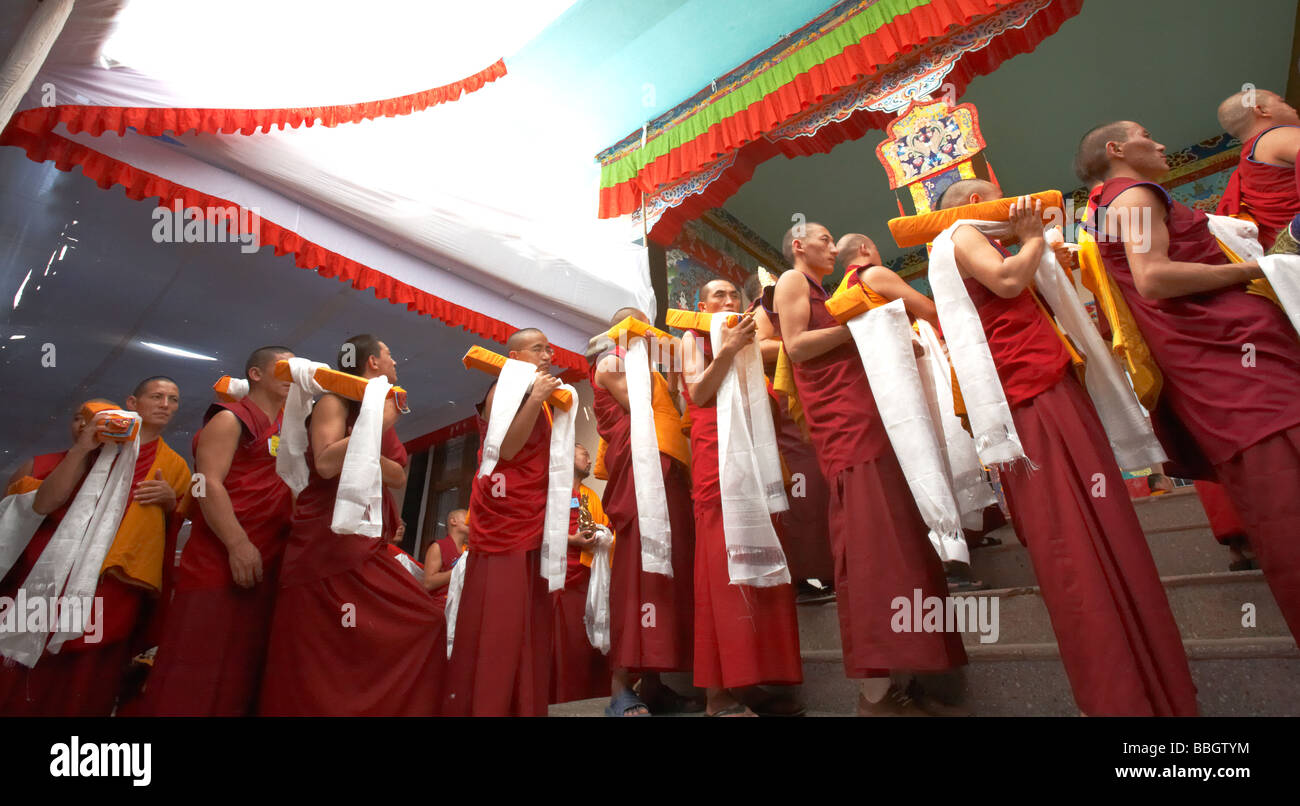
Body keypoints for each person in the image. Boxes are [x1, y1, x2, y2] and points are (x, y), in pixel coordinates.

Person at [937, 178, 1197, 716]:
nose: (1009, 197)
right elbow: (1008, 282)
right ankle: (1119, 696)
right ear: (967, 204)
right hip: (1029, 394)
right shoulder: (962, 233)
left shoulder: (990, 237)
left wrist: (1039, 249)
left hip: (1052, 381)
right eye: (991, 192)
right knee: (1072, 538)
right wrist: (1032, 240)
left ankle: (1158, 687)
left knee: (1103, 527)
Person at [1078, 120, 1300, 644]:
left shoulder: (1107, 205)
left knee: (1278, 503)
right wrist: (1263, 270)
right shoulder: (1133, 195)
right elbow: (1153, 276)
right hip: (1232, 360)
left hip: (1219, 360)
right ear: (1117, 149)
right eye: (1145, 135)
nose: (1159, 142)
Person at [771, 221, 966, 716]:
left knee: (898, 539)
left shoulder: (829, 293)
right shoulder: (792, 282)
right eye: (823, 238)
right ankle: (874, 695)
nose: (832, 247)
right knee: (872, 545)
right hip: (845, 427)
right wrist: (868, 327)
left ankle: (910, 679)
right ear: (798, 245)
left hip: (871, 415)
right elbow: (795, 347)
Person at [259, 335, 444, 716]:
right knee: (321, 644)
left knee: (425, 619)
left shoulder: (374, 409)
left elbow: (398, 477)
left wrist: (367, 440)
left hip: (367, 543)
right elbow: (326, 464)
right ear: (373, 363)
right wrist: (371, 432)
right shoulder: (334, 400)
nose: (395, 362)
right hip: (328, 539)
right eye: (390, 354)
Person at [0, 379, 190, 716]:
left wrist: (169, 504)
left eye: (172, 399)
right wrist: (84, 448)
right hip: (46, 576)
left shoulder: (171, 466)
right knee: (23, 661)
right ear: (131, 404)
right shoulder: (57, 462)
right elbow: (42, 507)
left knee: (88, 674)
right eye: (157, 396)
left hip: (109, 582)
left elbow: (167, 530)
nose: (165, 404)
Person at [141, 347, 295, 715]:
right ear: (255, 374)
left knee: (241, 671)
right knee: (197, 667)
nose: (292, 374)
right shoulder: (230, 419)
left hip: (267, 559)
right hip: (220, 558)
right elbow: (205, 483)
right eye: (283, 367)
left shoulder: (287, 428)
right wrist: (237, 543)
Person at [681, 279, 803, 717]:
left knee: (757, 563)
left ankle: (751, 678)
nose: (729, 302)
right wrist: (729, 349)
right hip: (716, 459)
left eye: (734, 295)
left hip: (753, 455)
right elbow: (698, 392)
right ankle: (719, 693)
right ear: (701, 304)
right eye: (719, 295)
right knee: (721, 570)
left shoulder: (748, 336)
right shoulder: (689, 338)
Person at [441, 328, 561, 716]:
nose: (547, 355)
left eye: (548, 348)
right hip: (504, 514)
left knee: (527, 617)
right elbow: (507, 448)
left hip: (531, 511)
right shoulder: (503, 391)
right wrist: (538, 398)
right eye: (537, 348)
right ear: (514, 355)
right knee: (502, 617)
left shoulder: (538, 397)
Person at [593, 308, 702, 716]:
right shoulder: (611, 362)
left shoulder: (647, 369)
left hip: (665, 469)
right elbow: (637, 405)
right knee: (638, 573)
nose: (647, 333)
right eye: (638, 326)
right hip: (639, 475)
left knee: (665, 572)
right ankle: (621, 685)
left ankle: (654, 684)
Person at [750, 285, 836, 602]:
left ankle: (830, 568)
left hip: (808, 401)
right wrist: (798, 338)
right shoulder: (761, 310)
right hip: (785, 410)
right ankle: (807, 573)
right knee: (804, 494)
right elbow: (758, 348)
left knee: (820, 490)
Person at [550, 443, 613, 705]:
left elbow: (606, 527)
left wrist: (604, 537)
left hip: (590, 576)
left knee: (591, 643)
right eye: (583, 452)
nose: (589, 457)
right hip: (562, 577)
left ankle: (595, 697)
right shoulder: (553, 490)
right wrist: (572, 540)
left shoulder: (591, 496)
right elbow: (541, 529)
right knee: (565, 644)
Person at [1216, 88, 1300, 251]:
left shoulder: (1246, 170)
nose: (1293, 109)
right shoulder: (1276, 135)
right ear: (1261, 110)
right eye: (1282, 102)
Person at [423, 508, 468, 613]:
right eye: (466, 516)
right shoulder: (438, 546)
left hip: (464, 608)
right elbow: (428, 583)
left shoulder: (470, 551)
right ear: (453, 521)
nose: (471, 519)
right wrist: (459, 570)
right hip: (442, 608)